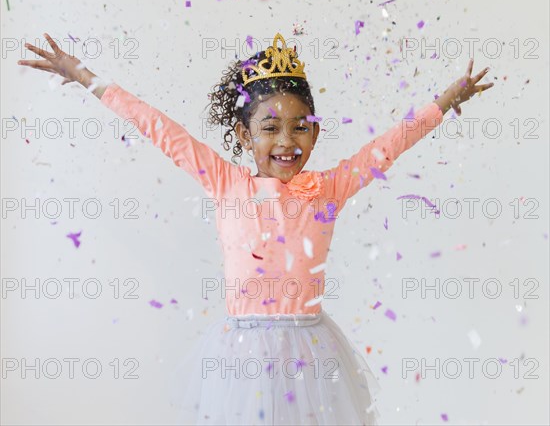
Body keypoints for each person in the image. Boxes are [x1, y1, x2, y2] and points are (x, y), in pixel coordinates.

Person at [18, 32, 494, 425]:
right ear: (245, 135)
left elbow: (389, 146)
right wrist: (85, 77)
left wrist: (444, 102)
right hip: (241, 355)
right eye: (270, 128)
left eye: (301, 126)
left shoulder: (328, 189)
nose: (287, 141)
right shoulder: (227, 183)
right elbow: (156, 127)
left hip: (311, 349)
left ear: (316, 130)